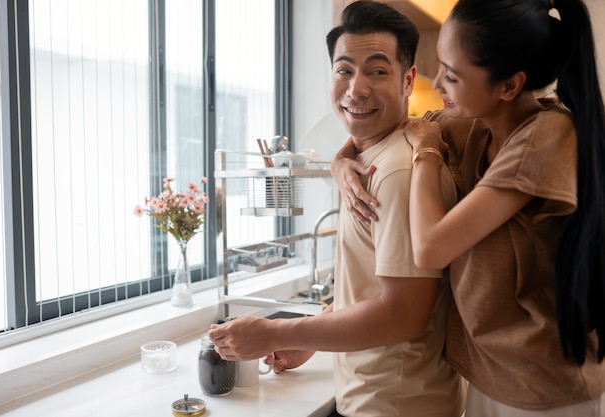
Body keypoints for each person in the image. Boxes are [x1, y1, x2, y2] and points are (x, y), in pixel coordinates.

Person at [331, 0, 605, 415]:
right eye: (440, 66)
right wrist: (340, 163)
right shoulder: (480, 122)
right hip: (490, 371)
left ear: (509, 86)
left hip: (542, 385)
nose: (438, 84)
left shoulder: (545, 136)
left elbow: (430, 247)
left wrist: (426, 153)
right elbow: (387, 122)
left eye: (453, 75)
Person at [208, 1, 466, 416]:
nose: (356, 88)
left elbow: (403, 314)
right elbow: (372, 289)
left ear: (408, 80)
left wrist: (274, 333)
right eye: (344, 69)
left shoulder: (399, 173)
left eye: (377, 70)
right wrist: (309, 338)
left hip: (395, 405)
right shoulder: (368, 159)